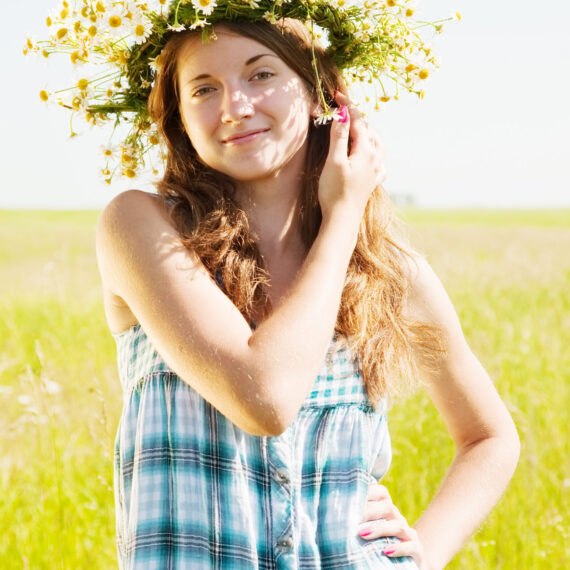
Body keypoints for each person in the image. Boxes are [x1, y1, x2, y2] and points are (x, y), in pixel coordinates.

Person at [95, 16, 519, 570]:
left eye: (261, 74)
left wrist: (425, 551)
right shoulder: (140, 226)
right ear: (178, 116)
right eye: (204, 88)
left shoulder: (388, 276)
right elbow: (264, 400)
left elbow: (490, 439)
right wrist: (344, 212)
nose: (234, 107)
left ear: (323, 96)